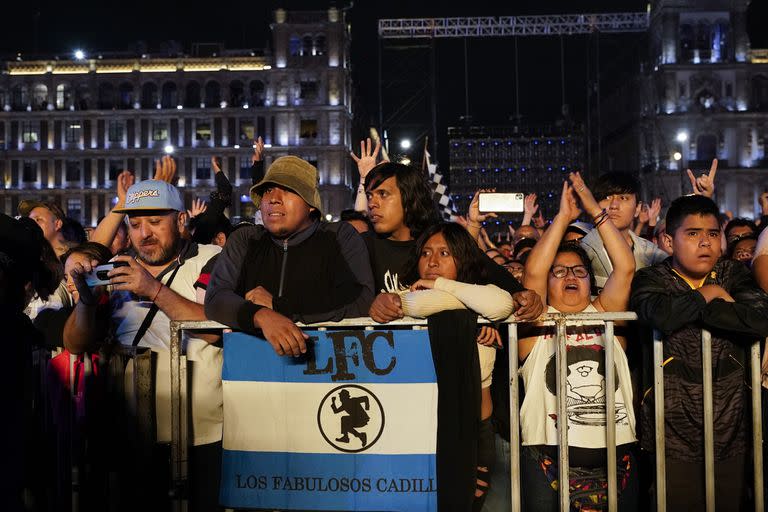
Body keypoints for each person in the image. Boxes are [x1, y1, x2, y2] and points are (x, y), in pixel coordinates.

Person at [63, 179, 224, 511]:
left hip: (198, 433)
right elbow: (74, 345)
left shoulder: (212, 259)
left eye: (155, 221)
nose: (144, 233)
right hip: (128, 433)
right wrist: (86, 304)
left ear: (181, 221)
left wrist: (152, 289)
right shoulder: (115, 268)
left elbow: (215, 329)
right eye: (134, 224)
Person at [630, 194, 768, 511]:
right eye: (692, 234)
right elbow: (661, 315)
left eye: (713, 234)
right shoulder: (651, 278)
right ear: (668, 240)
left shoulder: (733, 274)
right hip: (670, 431)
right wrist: (710, 294)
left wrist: (697, 305)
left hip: (732, 425)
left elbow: (759, 319)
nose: (705, 243)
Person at [518, 173, 638, 511]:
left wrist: (594, 211)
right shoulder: (538, 320)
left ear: (591, 283)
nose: (570, 276)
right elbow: (532, 275)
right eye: (560, 272)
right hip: (548, 461)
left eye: (578, 271)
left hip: (618, 457)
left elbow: (625, 267)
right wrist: (563, 219)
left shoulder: (605, 313)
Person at [394, 222, 516, 511]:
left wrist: (440, 286)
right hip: (423, 430)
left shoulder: (485, 295)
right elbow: (409, 304)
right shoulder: (408, 294)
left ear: (463, 258)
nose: (432, 261)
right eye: (425, 253)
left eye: (444, 253)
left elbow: (501, 304)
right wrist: (465, 307)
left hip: (477, 433)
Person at [204, 155, 375, 357]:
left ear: (311, 204)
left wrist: (279, 306)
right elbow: (216, 298)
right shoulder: (245, 239)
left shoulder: (339, 236)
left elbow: (361, 298)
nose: (273, 198)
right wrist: (262, 315)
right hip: (251, 373)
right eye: (267, 190)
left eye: (288, 189)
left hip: (328, 367)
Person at [578, 172, 667, 290]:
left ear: (638, 208)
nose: (614, 205)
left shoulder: (650, 252)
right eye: (607, 197)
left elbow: (682, 271)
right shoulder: (583, 250)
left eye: (623, 198)